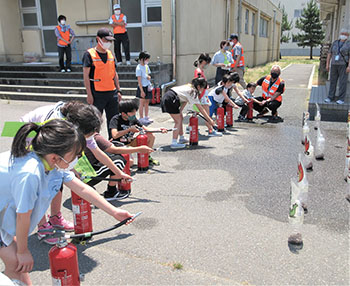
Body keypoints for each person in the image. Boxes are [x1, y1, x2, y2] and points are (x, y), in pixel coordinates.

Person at [0, 119, 133, 285]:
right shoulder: (30, 174)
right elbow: (22, 216)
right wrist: (23, 250)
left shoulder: (54, 166)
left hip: (4, 215)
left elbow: (83, 189)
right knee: (16, 262)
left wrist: (114, 212)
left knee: (19, 265)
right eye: (76, 155)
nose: (79, 158)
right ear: (56, 157)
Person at [20, 101, 132, 244]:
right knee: (43, 186)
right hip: (30, 136)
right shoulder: (54, 130)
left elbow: (86, 183)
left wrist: (119, 175)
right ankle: (43, 227)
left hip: (55, 155)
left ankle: (55, 218)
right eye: (75, 155)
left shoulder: (82, 124)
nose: (77, 158)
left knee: (57, 179)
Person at [85, 133, 153, 200]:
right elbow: (113, 149)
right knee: (119, 160)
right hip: (84, 174)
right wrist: (139, 149)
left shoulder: (76, 134)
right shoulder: (92, 137)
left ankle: (85, 186)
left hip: (76, 173)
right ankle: (111, 192)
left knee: (109, 155)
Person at [82, 28, 122, 138]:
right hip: (97, 93)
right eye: (106, 40)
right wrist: (89, 94)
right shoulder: (89, 54)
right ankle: (94, 145)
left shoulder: (110, 54)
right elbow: (86, 76)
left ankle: (113, 143)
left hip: (111, 93)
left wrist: (118, 90)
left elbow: (114, 73)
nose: (108, 43)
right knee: (95, 122)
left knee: (113, 121)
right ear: (98, 39)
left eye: (110, 41)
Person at [161, 77, 216, 149]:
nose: (202, 91)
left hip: (169, 97)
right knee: (178, 121)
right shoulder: (193, 92)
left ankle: (181, 138)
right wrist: (210, 120)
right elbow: (201, 108)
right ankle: (174, 143)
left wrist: (180, 111)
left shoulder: (189, 86)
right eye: (203, 88)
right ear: (199, 86)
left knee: (179, 118)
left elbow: (185, 100)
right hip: (171, 99)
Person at [109, 99, 166, 164]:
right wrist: (129, 129)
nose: (134, 114)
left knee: (150, 135)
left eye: (135, 112)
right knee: (130, 163)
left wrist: (159, 129)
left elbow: (145, 129)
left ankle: (147, 157)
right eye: (132, 113)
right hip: (119, 145)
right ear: (123, 114)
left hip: (130, 142)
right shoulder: (115, 119)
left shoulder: (133, 119)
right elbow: (115, 135)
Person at [193, 53, 220, 136]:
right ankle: (210, 130)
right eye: (207, 62)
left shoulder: (200, 71)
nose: (208, 64)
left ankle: (191, 125)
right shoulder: (199, 72)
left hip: (202, 94)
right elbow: (199, 84)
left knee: (196, 112)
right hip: (202, 95)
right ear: (204, 61)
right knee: (207, 114)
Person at [324, 28, 350, 104]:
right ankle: (330, 97)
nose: (343, 35)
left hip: (343, 65)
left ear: (348, 35)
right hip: (334, 64)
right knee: (333, 81)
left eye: (345, 34)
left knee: (342, 82)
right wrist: (327, 64)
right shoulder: (335, 43)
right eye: (342, 33)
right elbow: (329, 53)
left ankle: (341, 99)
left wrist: (349, 66)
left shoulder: (348, 44)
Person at [135, 51, 153, 125]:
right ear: (142, 59)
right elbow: (139, 81)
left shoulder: (146, 66)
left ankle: (146, 116)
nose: (147, 61)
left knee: (147, 102)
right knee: (141, 103)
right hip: (142, 87)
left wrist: (149, 77)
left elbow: (148, 75)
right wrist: (142, 91)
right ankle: (141, 118)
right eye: (147, 59)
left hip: (147, 86)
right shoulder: (138, 68)